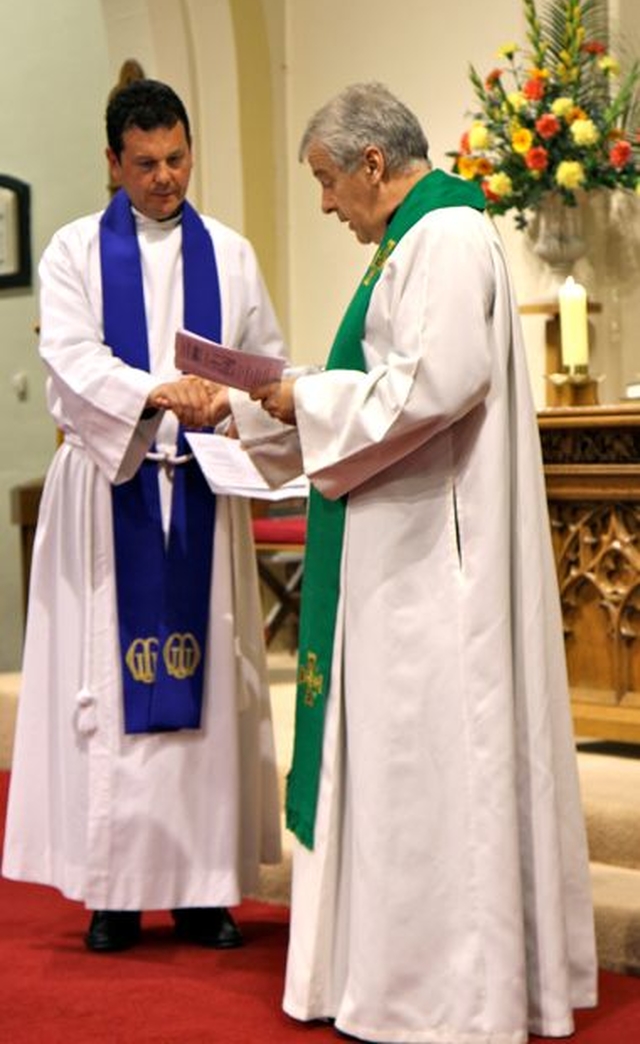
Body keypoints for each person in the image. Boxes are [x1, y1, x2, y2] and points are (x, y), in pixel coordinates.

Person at [229, 83, 598, 1042]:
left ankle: (444, 993)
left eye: (324, 181)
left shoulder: (444, 237)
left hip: (435, 566)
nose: (322, 205)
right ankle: (391, 977)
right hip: (400, 549)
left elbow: (436, 384)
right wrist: (275, 398)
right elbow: (385, 382)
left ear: (372, 166)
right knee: (404, 770)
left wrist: (302, 397)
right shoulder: (413, 241)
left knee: (431, 769)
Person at [2, 79, 284, 953]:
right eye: (147, 164)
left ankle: (204, 890)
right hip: (113, 485)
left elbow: (262, 363)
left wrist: (229, 400)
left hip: (199, 483)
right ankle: (113, 892)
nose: (166, 179)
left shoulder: (229, 254)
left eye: (177, 159)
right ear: (113, 163)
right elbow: (71, 360)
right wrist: (155, 391)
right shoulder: (74, 251)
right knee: (110, 700)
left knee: (207, 693)